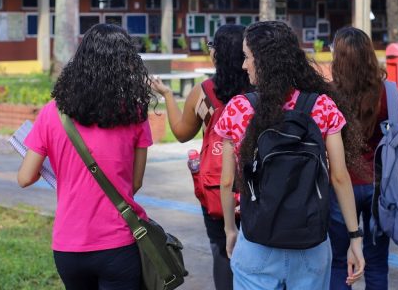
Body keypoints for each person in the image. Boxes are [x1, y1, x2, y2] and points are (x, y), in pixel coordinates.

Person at [213, 21, 365, 290]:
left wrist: (229, 230)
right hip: (311, 244)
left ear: (264, 61)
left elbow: (226, 182)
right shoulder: (322, 106)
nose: (243, 66)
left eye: (247, 57)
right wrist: (355, 237)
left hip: (257, 241)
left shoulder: (238, 109)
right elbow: (340, 177)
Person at [17, 23, 153, 290]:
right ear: (126, 63)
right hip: (119, 244)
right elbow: (135, 183)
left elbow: (24, 178)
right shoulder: (135, 114)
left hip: (69, 246)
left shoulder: (51, 113)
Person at [151, 23, 250, 290]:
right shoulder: (258, 89)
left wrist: (168, 95)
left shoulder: (204, 92)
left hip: (216, 187)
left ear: (217, 54)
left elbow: (182, 133)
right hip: (256, 185)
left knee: (221, 249)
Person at [328, 26, 398, 290]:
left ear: (338, 58)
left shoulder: (328, 96)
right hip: (380, 186)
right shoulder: (387, 92)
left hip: (341, 186)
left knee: (340, 262)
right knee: (376, 263)